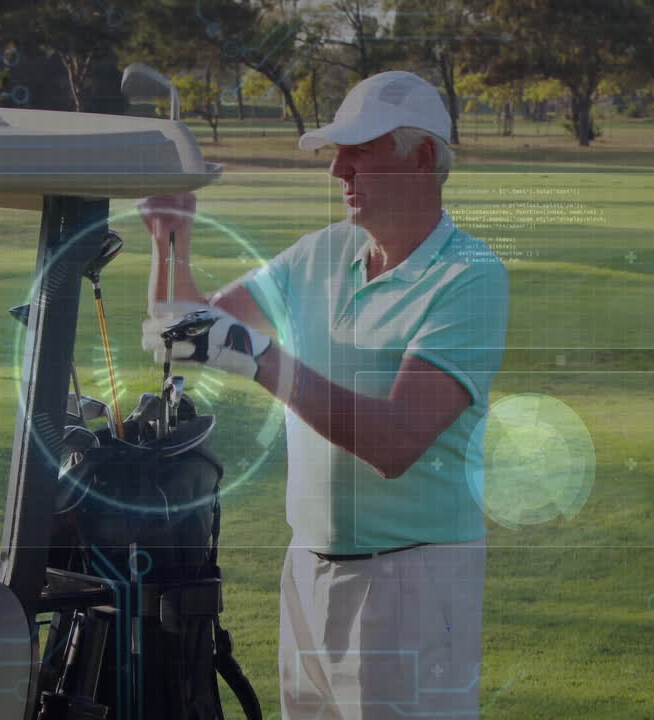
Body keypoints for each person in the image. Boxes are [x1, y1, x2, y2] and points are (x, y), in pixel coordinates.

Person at [137, 70, 508, 719]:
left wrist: (262, 359)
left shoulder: (468, 277)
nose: (338, 169)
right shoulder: (322, 253)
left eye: (359, 149)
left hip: (413, 582)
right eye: (336, 152)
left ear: (422, 157)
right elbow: (179, 332)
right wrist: (171, 234)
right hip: (308, 567)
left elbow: (396, 440)